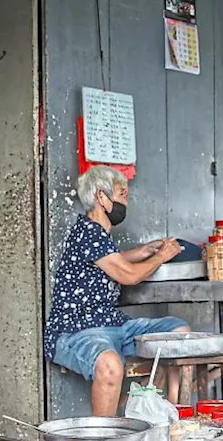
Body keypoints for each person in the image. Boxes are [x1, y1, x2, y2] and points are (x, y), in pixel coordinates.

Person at [45, 166, 189, 415]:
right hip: (77, 330)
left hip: (113, 324)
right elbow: (128, 275)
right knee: (109, 365)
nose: (126, 200)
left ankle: (160, 411)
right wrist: (162, 256)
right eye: (122, 194)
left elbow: (110, 259)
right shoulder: (89, 233)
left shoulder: (97, 233)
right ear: (102, 197)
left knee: (178, 332)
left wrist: (145, 250)